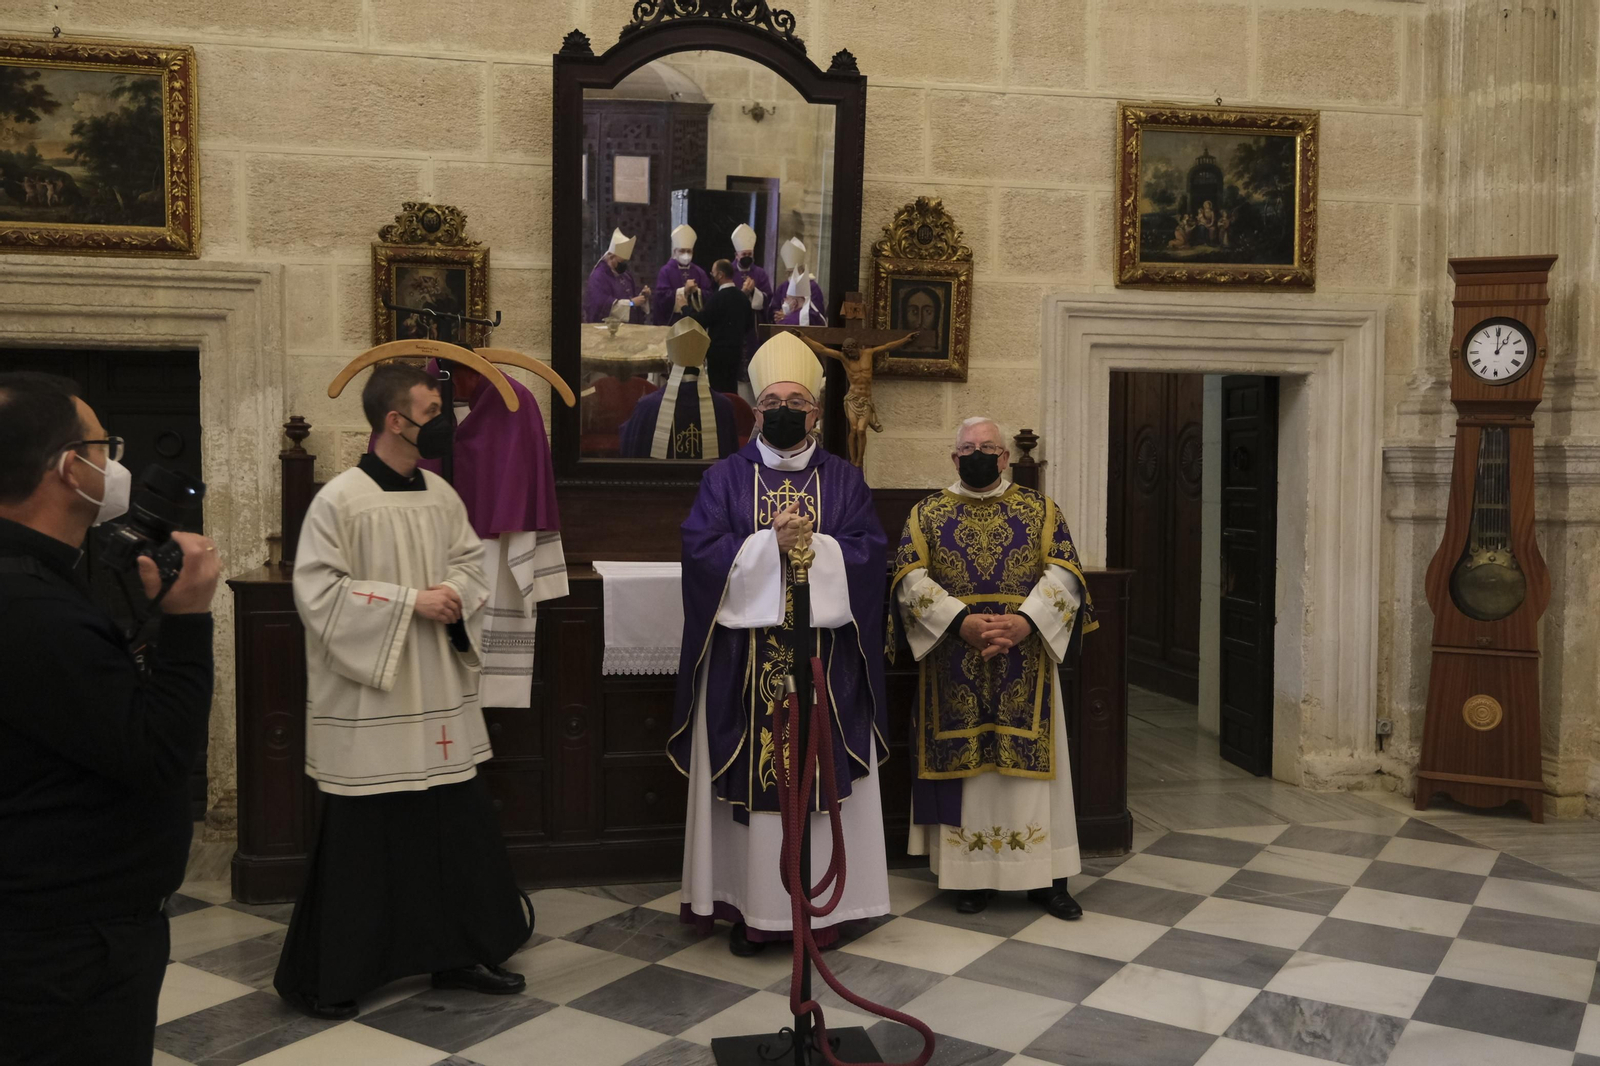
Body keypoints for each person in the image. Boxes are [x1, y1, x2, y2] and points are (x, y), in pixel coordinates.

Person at [275, 363, 531, 1019]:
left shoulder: (442, 494)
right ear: (396, 420)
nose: (443, 419)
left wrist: (456, 595)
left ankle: (459, 954)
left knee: (453, 830)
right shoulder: (341, 500)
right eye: (431, 407)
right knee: (368, 842)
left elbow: (471, 564)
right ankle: (340, 972)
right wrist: (408, 601)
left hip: (436, 690)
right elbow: (319, 593)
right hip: (374, 696)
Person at [0, 372, 220, 1065]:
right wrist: (187, 622)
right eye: (102, 447)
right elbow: (156, 756)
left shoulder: (38, 582)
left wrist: (150, 623)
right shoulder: (31, 607)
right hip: (64, 951)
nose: (113, 465)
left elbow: (87, 714)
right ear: (70, 468)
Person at [671, 331, 891, 957]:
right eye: (771, 400)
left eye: (796, 398)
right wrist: (769, 544)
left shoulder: (844, 480)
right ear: (755, 411)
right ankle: (754, 909)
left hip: (825, 662)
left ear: (816, 411)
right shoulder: (724, 478)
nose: (783, 409)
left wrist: (812, 546)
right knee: (754, 784)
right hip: (746, 667)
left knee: (818, 780)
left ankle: (826, 910)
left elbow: (871, 555)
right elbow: (701, 552)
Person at [889, 416, 1096, 921]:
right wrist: (959, 621)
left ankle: (1048, 879)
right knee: (973, 773)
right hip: (953, 660)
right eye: (966, 447)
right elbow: (909, 581)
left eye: (987, 446)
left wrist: (1026, 623)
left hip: (1025, 661)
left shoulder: (1041, 509)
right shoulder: (928, 513)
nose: (977, 453)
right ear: (953, 457)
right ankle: (972, 876)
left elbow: (1066, 577)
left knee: (1030, 776)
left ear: (1004, 457)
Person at [423, 359, 567, 708]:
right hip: (427, 556)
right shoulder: (410, 402)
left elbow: (532, 486)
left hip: (494, 551)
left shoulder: (515, 403)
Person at [619, 319, 737, 460]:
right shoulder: (724, 407)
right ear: (704, 363)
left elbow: (630, 449)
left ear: (669, 364)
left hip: (662, 482)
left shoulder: (647, 407)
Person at [683, 258, 754, 394]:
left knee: (718, 391)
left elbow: (700, 321)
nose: (712, 275)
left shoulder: (718, 298)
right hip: (736, 351)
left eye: (713, 272)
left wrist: (685, 308)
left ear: (720, 275)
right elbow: (749, 325)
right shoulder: (743, 298)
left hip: (718, 354)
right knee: (732, 389)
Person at [584, 228, 650, 324]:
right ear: (611, 257)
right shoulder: (598, 277)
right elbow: (601, 305)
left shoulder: (625, 275)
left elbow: (632, 299)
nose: (624, 265)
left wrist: (643, 297)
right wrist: (631, 303)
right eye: (621, 262)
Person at [651, 223, 712, 326]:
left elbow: (709, 295)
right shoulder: (665, 271)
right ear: (675, 252)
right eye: (682, 251)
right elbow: (661, 298)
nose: (686, 254)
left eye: (689, 251)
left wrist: (697, 292)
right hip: (673, 322)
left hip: (693, 322)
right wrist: (684, 291)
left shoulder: (699, 272)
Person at [777, 237, 827, 322]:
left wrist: (787, 316)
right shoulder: (783, 286)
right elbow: (773, 308)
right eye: (788, 272)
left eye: (792, 272)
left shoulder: (812, 287)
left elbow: (815, 314)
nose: (790, 276)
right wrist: (778, 315)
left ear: (801, 270)